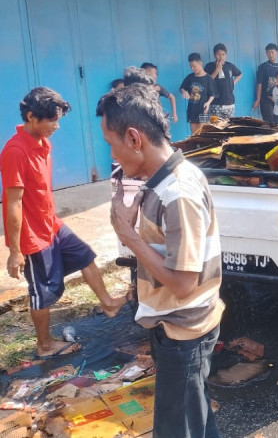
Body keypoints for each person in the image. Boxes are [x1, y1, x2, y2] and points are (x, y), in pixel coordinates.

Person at [98, 83, 224, 438]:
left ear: (134, 138)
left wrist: (130, 236)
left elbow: (184, 284)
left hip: (185, 330)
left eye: (112, 143)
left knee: (176, 429)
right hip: (177, 327)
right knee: (194, 419)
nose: (112, 154)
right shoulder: (160, 181)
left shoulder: (177, 191)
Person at [0, 87, 127, 359]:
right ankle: (44, 345)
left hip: (52, 223)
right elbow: (13, 202)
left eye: (58, 120)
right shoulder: (15, 151)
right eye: (52, 120)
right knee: (42, 292)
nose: (56, 126)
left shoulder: (42, 142)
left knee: (85, 255)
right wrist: (14, 250)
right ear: (32, 117)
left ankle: (108, 303)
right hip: (32, 234)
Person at [179, 52, 216, 135]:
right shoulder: (190, 77)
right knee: (194, 135)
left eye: (194, 66)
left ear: (200, 63)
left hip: (203, 110)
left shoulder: (208, 78)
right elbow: (182, 88)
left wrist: (208, 102)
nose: (193, 69)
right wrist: (184, 92)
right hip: (192, 110)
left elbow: (212, 94)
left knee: (202, 134)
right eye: (191, 67)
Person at [253, 43, 278, 123]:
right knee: (270, 123)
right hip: (266, 100)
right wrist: (258, 99)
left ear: (277, 53)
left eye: (272, 52)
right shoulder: (262, 67)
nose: (270, 54)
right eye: (268, 52)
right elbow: (259, 84)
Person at [204, 43, 242, 120]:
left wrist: (233, 84)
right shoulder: (209, 66)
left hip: (229, 103)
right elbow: (207, 82)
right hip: (215, 103)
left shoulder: (230, 66)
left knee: (229, 126)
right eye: (218, 54)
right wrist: (217, 70)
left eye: (223, 54)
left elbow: (239, 74)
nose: (221, 57)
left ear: (226, 55)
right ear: (214, 55)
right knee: (216, 127)